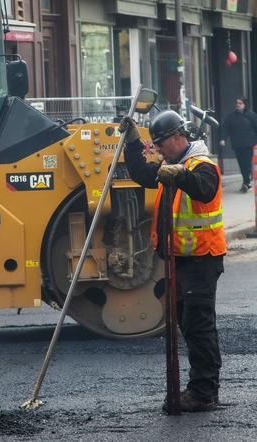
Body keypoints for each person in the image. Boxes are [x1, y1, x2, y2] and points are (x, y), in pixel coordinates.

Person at [120, 111, 225, 412]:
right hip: (181, 259)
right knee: (188, 323)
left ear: (177, 137)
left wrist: (179, 175)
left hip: (201, 259)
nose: (158, 151)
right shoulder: (173, 164)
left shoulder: (202, 166)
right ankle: (202, 389)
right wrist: (132, 143)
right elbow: (142, 173)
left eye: (160, 145)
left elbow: (203, 189)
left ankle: (203, 392)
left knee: (198, 325)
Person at [219, 96, 257, 193]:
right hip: (237, 144)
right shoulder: (231, 117)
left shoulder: (251, 115)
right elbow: (226, 128)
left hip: (249, 144)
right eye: (237, 103)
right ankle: (247, 182)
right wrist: (223, 139)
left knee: (247, 163)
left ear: (244, 104)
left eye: (240, 103)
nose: (238, 105)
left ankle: (246, 182)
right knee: (241, 164)